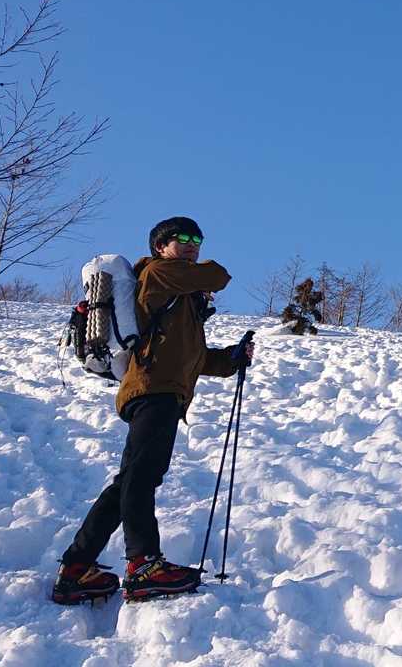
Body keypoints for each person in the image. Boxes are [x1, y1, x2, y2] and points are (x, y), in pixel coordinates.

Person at [51, 216, 255, 603]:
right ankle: (144, 565)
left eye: (197, 239)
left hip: (160, 390)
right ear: (160, 246)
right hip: (153, 390)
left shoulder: (180, 302)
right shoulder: (159, 273)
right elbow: (218, 275)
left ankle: (76, 568)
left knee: (129, 482)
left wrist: (231, 358)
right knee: (141, 477)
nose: (193, 244)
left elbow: (194, 358)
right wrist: (201, 276)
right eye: (183, 238)